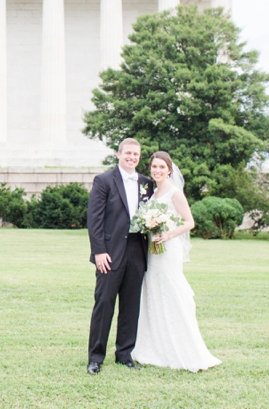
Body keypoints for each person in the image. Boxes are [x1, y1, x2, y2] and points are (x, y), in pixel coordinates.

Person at [131, 151, 221, 372]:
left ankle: (183, 347)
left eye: (162, 167)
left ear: (169, 170)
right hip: (152, 250)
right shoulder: (150, 192)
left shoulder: (174, 193)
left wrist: (168, 235)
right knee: (153, 292)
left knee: (172, 291)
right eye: (154, 167)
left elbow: (189, 222)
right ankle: (154, 346)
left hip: (168, 249)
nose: (158, 171)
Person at [86, 138, 154, 375]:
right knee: (104, 304)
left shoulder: (146, 183)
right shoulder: (104, 181)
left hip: (137, 254)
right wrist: (99, 251)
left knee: (130, 306)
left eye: (136, 154)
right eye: (128, 153)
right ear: (118, 154)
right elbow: (94, 219)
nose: (132, 157)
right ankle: (95, 357)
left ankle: (124, 354)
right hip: (109, 254)